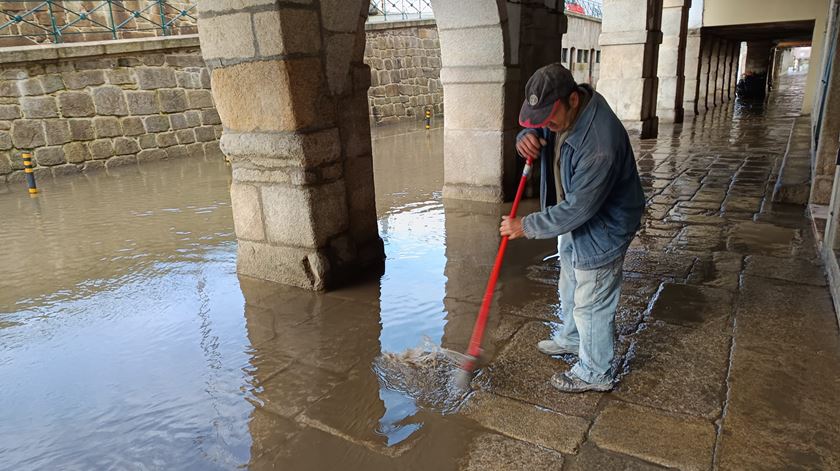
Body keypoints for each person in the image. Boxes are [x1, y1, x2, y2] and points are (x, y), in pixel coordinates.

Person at [500, 63, 645, 393]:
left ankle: (596, 371)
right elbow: (545, 130)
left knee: (592, 297)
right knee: (570, 277)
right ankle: (571, 337)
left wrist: (527, 225)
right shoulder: (567, 113)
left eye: (549, 117)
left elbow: (581, 208)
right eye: (539, 118)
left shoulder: (598, 145)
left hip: (604, 225)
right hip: (573, 215)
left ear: (573, 99)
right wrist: (528, 136)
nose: (546, 124)